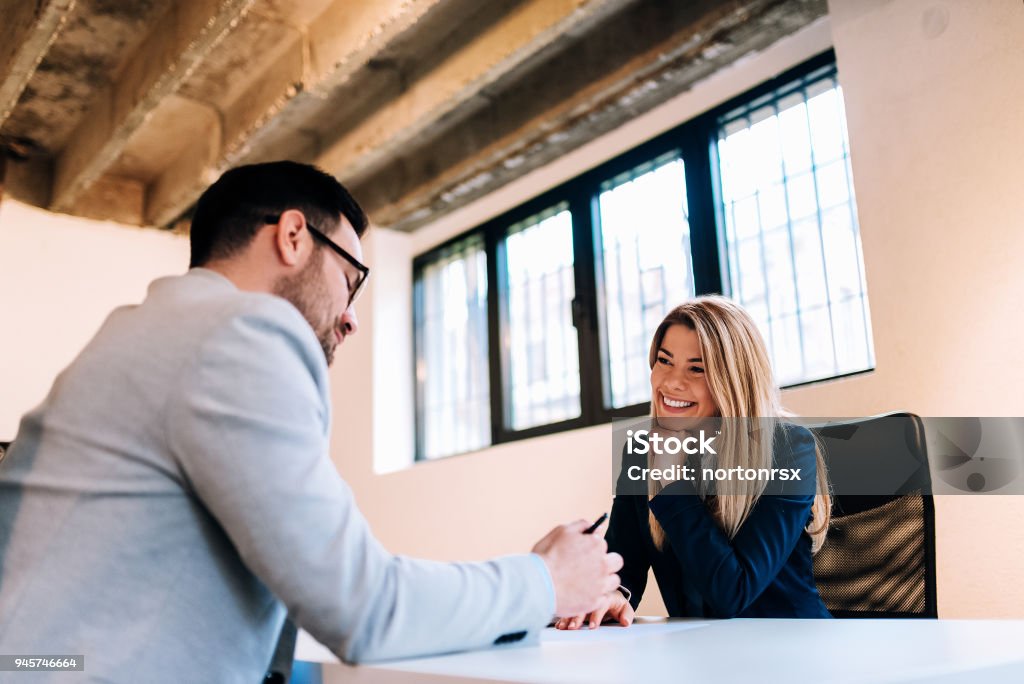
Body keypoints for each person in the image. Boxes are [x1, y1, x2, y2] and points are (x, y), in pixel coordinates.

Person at [0, 161, 623, 682]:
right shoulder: (239, 330)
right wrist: (545, 580)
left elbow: (319, 572)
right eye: (351, 281)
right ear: (293, 237)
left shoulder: (142, 330)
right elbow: (363, 605)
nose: (351, 318)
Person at [556, 296, 831, 629]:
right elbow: (624, 561)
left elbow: (733, 593)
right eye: (664, 361)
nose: (672, 382)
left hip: (791, 652)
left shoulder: (786, 449)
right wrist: (614, 592)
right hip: (698, 654)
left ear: (733, 380)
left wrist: (670, 485)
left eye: (696, 369)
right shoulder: (642, 451)